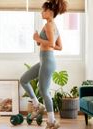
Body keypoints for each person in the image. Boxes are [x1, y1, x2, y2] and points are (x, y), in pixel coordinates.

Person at [20, 0, 67, 128]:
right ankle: (37, 105)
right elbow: (59, 46)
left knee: (44, 91)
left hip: (47, 61)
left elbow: (51, 44)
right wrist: (40, 41)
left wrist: (37, 39)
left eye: (43, 10)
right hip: (45, 60)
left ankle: (52, 122)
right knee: (24, 80)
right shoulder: (53, 25)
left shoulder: (49, 26)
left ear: (50, 12)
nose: (41, 12)